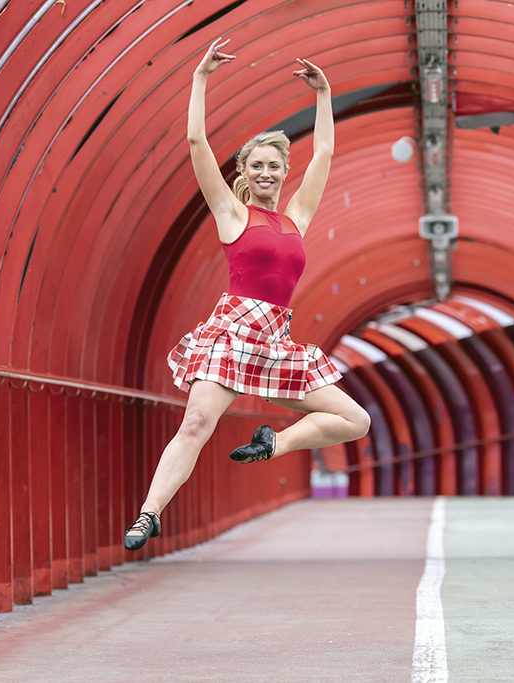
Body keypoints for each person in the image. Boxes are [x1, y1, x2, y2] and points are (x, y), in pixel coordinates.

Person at [124, 38, 370, 551]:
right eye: (255, 165)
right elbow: (196, 144)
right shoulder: (231, 214)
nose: (265, 173)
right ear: (244, 172)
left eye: (274, 166)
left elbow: (324, 150)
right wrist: (200, 78)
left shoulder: (295, 216)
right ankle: (149, 514)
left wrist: (324, 94)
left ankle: (272, 443)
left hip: (276, 339)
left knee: (356, 420)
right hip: (234, 332)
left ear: (284, 172)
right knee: (196, 422)